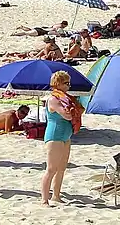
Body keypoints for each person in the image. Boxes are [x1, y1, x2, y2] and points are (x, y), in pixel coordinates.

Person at [41, 71, 83, 206]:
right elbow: (67, 115)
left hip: (66, 135)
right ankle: (44, 199)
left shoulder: (67, 98)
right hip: (55, 135)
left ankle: (56, 195)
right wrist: (73, 110)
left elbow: (77, 111)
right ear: (58, 84)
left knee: (62, 168)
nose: (69, 86)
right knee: (51, 169)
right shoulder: (53, 99)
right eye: (66, 83)